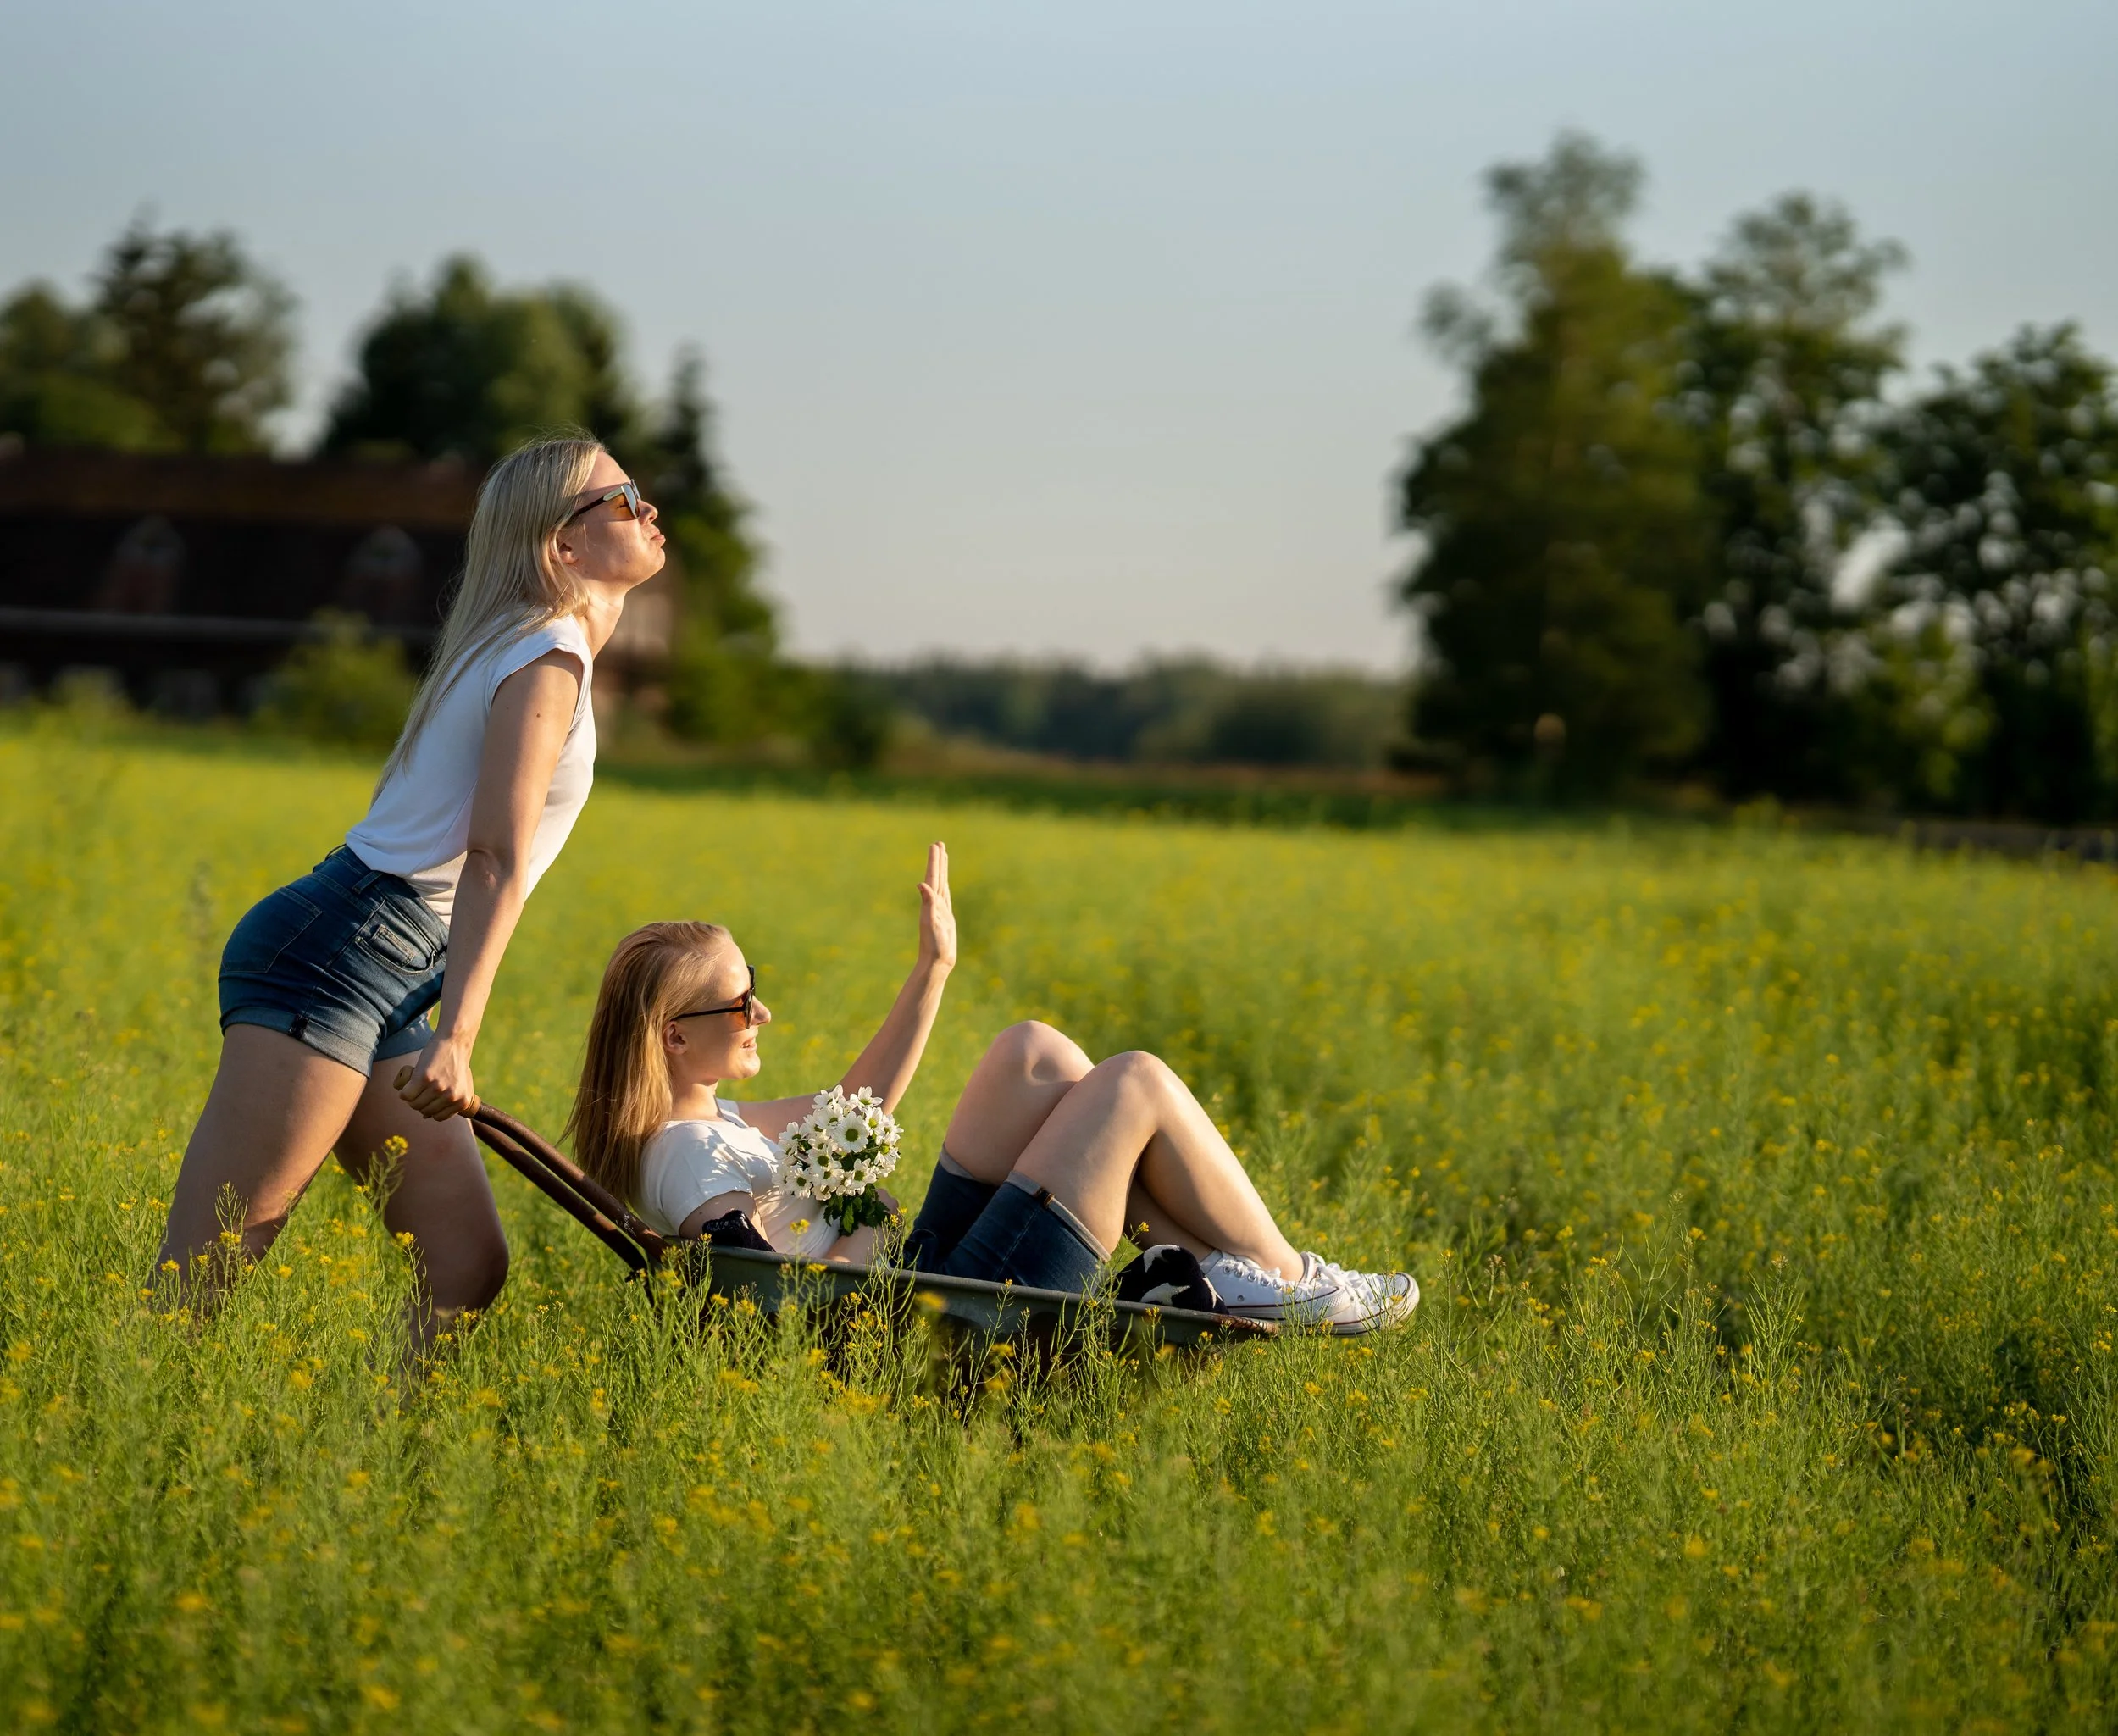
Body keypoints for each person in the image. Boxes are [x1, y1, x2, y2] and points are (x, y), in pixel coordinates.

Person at [155, 432, 665, 1360]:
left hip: (377, 963)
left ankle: (372, 1473)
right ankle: (124, 1457)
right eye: (623, 499)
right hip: (340, 956)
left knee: (465, 1265)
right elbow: (495, 857)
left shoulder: (525, 642)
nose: (649, 509)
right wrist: (460, 1041)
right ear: (564, 545)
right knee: (199, 1282)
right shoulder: (544, 651)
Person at [569, 846, 1418, 1333]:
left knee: (1033, 1055)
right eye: (736, 999)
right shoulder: (684, 1160)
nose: (761, 1009)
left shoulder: (711, 1123)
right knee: (1133, 1083)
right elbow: (763, 1297)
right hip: (936, 1322)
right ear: (675, 1037)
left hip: (921, 1280)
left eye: (751, 982)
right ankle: (1293, 1282)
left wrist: (932, 970)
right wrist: (854, 1233)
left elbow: (846, 1114)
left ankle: (1219, 1272)